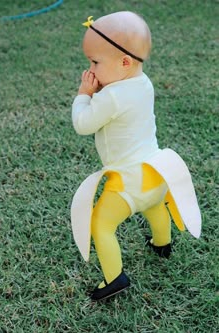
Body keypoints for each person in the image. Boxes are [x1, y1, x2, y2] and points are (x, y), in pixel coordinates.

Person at [71, 11, 201, 301]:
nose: (90, 69)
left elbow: (83, 124)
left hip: (126, 182)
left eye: (95, 62)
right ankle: (162, 243)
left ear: (124, 63)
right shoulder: (144, 83)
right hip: (156, 172)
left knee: (102, 225)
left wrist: (83, 95)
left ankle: (114, 278)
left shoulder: (110, 97)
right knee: (154, 206)